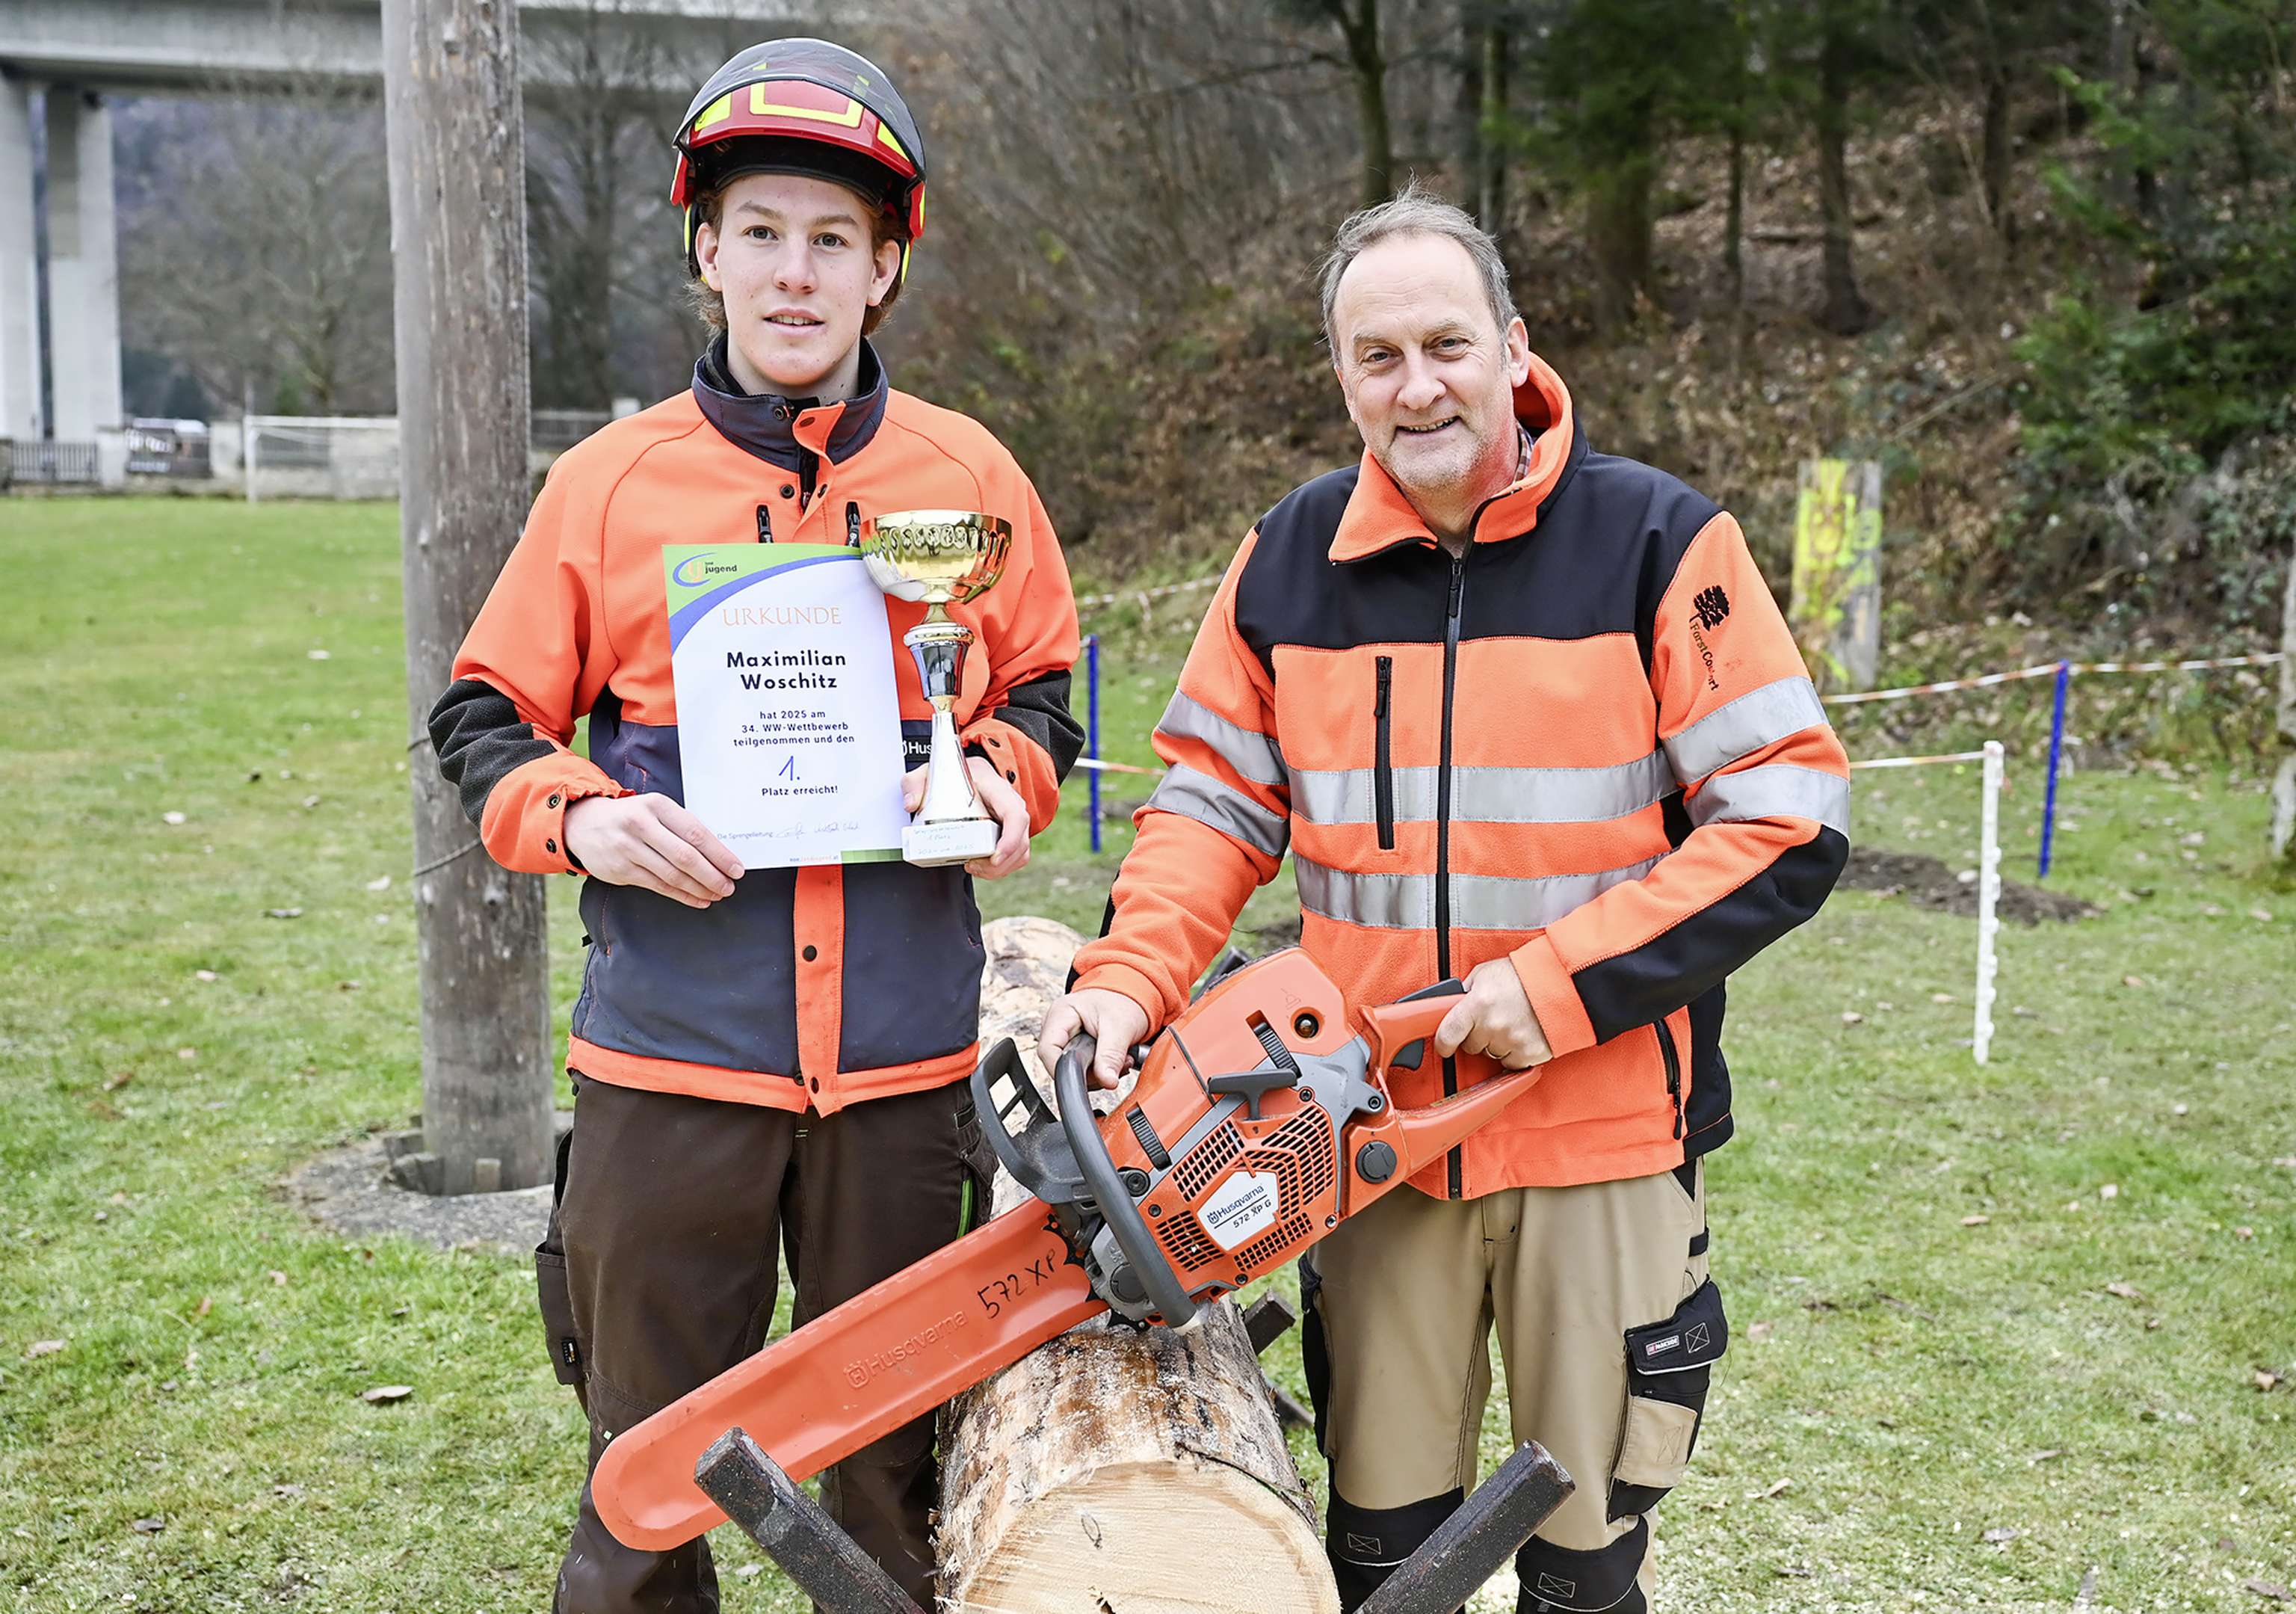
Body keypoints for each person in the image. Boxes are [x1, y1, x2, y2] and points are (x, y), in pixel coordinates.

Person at [1040, 185, 1849, 1613]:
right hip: (1362, 1135)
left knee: (1585, 1562)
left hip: (1602, 1133)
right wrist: (1124, 981)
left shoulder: (1661, 542)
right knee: (1384, 1557)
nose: (1418, 386)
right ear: (1340, 376)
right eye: (1378, 357)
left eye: (1446, 344)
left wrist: (1549, 994)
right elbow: (1208, 809)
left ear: (1513, 344)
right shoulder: (1288, 563)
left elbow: (1789, 815)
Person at [428, 38, 1082, 1612]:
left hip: (900, 1076)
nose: (797, 274)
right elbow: (483, 719)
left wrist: (1005, 777)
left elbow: (1050, 686)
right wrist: (585, 822)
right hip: (674, 1066)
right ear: (707, 252)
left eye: (835, 241)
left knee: (900, 1479)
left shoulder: (969, 478)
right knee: (651, 1475)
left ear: (888, 270)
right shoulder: (606, 486)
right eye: (764, 233)